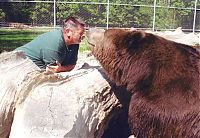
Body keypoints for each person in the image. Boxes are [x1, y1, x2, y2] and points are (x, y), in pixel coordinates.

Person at [15, 16, 85, 73]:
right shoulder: (56, 44)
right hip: (18, 62)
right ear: (68, 32)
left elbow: (71, 65)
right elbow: (52, 71)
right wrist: (61, 69)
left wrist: (61, 68)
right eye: (80, 33)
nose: (83, 36)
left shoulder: (75, 43)